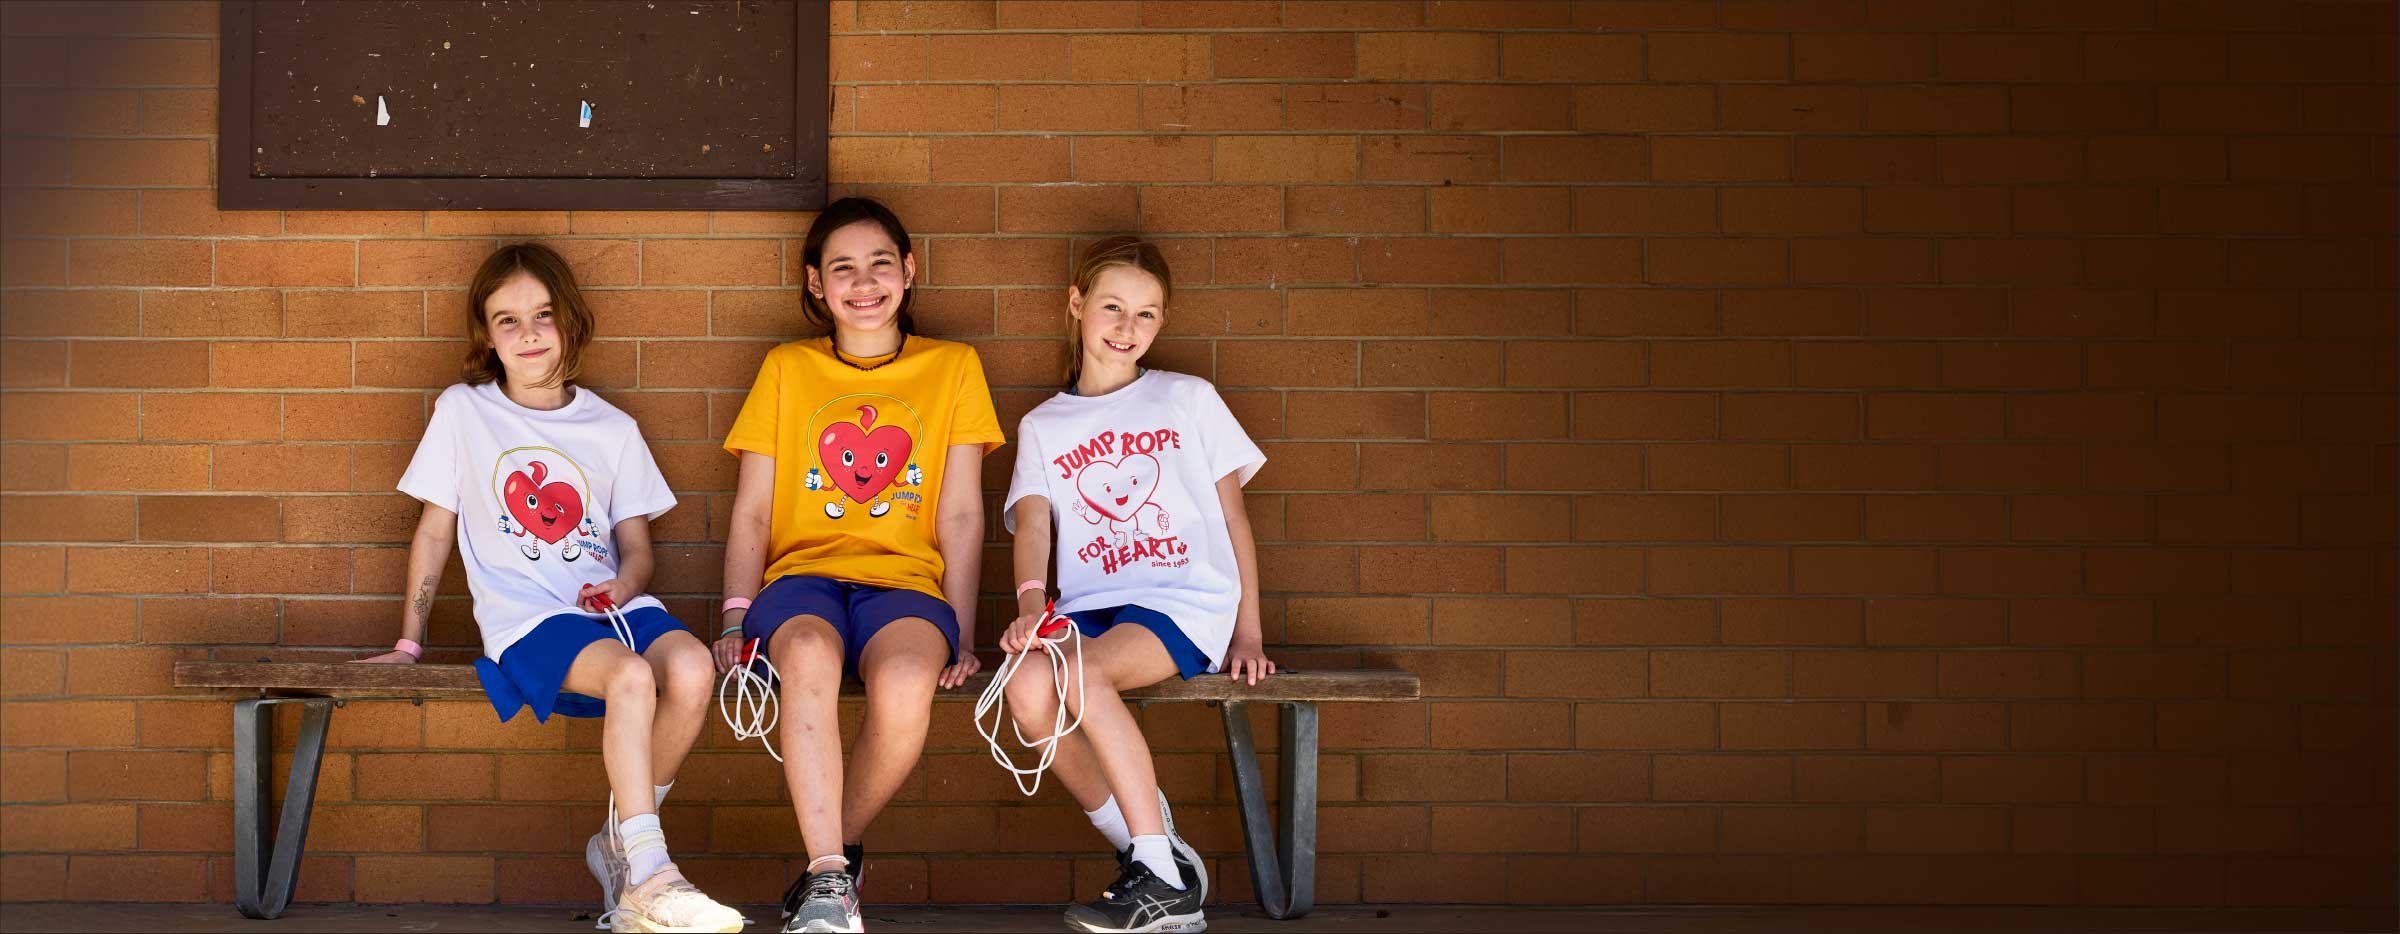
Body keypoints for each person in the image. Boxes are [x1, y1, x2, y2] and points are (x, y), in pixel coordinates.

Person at [359, 243, 739, 933]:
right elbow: (434, 533)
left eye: (542, 315)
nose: (528, 333)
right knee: (630, 677)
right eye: (507, 320)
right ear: (486, 335)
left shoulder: (612, 429)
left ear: (571, 320)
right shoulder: (463, 413)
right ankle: (652, 874)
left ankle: (621, 845)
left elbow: (637, 552)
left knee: (688, 666)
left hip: (613, 610)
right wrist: (409, 642)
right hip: (528, 619)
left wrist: (622, 586)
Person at [712, 197, 1003, 933]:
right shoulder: (787, 367)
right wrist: (737, 616)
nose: (864, 282)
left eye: (881, 263)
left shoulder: (954, 367)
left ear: (909, 270)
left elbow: (963, 513)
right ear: (815, 284)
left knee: (907, 682)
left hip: (905, 585)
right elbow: (752, 509)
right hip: (800, 581)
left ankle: (827, 861)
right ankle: (830, 881)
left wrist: (962, 634)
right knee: (806, 652)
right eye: (842, 267)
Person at [999, 236, 1275, 934]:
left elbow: (1235, 519)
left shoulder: (1188, 399)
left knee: (1080, 674)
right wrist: (1033, 603)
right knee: (1029, 691)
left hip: (1185, 600)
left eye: (1147, 315)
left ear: (1162, 323)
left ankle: (1157, 873)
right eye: (1114, 307)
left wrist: (1249, 631)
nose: (1127, 328)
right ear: (1076, 305)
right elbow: (1032, 527)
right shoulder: (1044, 425)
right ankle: (1151, 859)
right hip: (1093, 606)